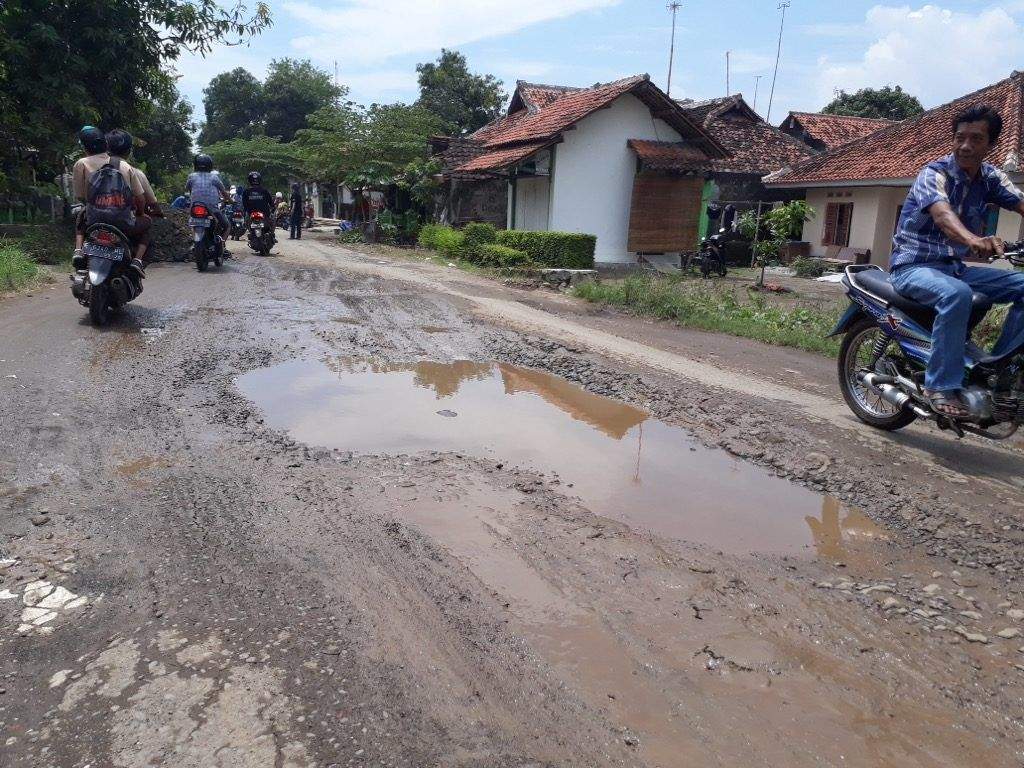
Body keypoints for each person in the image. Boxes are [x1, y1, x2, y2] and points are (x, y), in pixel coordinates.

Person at [890, 103, 1024, 418]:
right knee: (957, 294)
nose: (965, 145)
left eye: (976, 139)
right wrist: (973, 239)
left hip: (954, 269)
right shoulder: (933, 173)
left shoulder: (992, 178)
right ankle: (940, 385)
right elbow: (943, 215)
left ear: (991, 144)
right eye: (960, 137)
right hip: (913, 267)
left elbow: (1020, 202)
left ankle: (999, 371)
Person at [71, 126, 147, 277]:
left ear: (84, 147)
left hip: (94, 220)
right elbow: (140, 198)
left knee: (81, 216)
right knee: (147, 224)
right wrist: (140, 212)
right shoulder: (124, 165)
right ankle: (137, 260)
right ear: (105, 144)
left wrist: (96, 203)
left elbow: (80, 196)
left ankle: (78, 250)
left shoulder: (81, 163)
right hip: (122, 222)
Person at [185, 154, 232, 250]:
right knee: (227, 226)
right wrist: (231, 201)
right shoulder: (214, 177)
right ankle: (222, 245)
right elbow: (223, 192)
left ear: (195, 165)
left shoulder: (191, 176)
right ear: (210, 165)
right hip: (212, 208)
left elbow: (188, 188)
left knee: (192, 223)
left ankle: (195, 242)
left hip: (195, 207)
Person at [241, 171, 275, 243]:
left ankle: (251, 233)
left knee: (246, 222)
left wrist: (245, 212)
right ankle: (272, 235)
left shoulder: (246, 192)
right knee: (272, 221)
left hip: (251, 214)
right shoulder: (265, 191)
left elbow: (244, 205)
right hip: (265, 214)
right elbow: (271, 203)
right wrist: (272, 209)